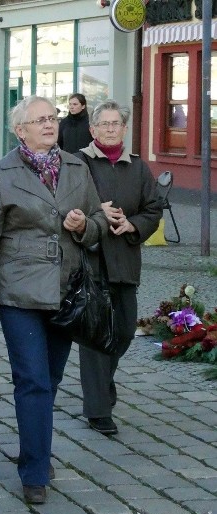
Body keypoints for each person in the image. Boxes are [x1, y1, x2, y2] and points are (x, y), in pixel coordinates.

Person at [0, 95, 107, 505]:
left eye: (53, 118)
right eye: (40, 120)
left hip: (66, 290)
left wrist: (85, 226)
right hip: (19, 292)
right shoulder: (0, 173)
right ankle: (34, 470)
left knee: (51, 379)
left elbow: (99, 221)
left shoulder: (78, 167)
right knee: (33, 380)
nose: (50, 125)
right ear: (20, 130)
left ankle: (36, 445)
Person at [76, 100, 162, 436]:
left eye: (117, 124)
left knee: (124, 330)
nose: (111, 129)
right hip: (91, 260)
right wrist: (97, 210)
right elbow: (65, 201)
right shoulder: (79, 162)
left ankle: (102, 383)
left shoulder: (138, 168)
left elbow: (154, 208)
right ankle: (98, 409)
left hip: (125, 260)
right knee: (96, 335)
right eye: (105, 124)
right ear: (93, 129)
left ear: (124, 129)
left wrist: (134, 225)